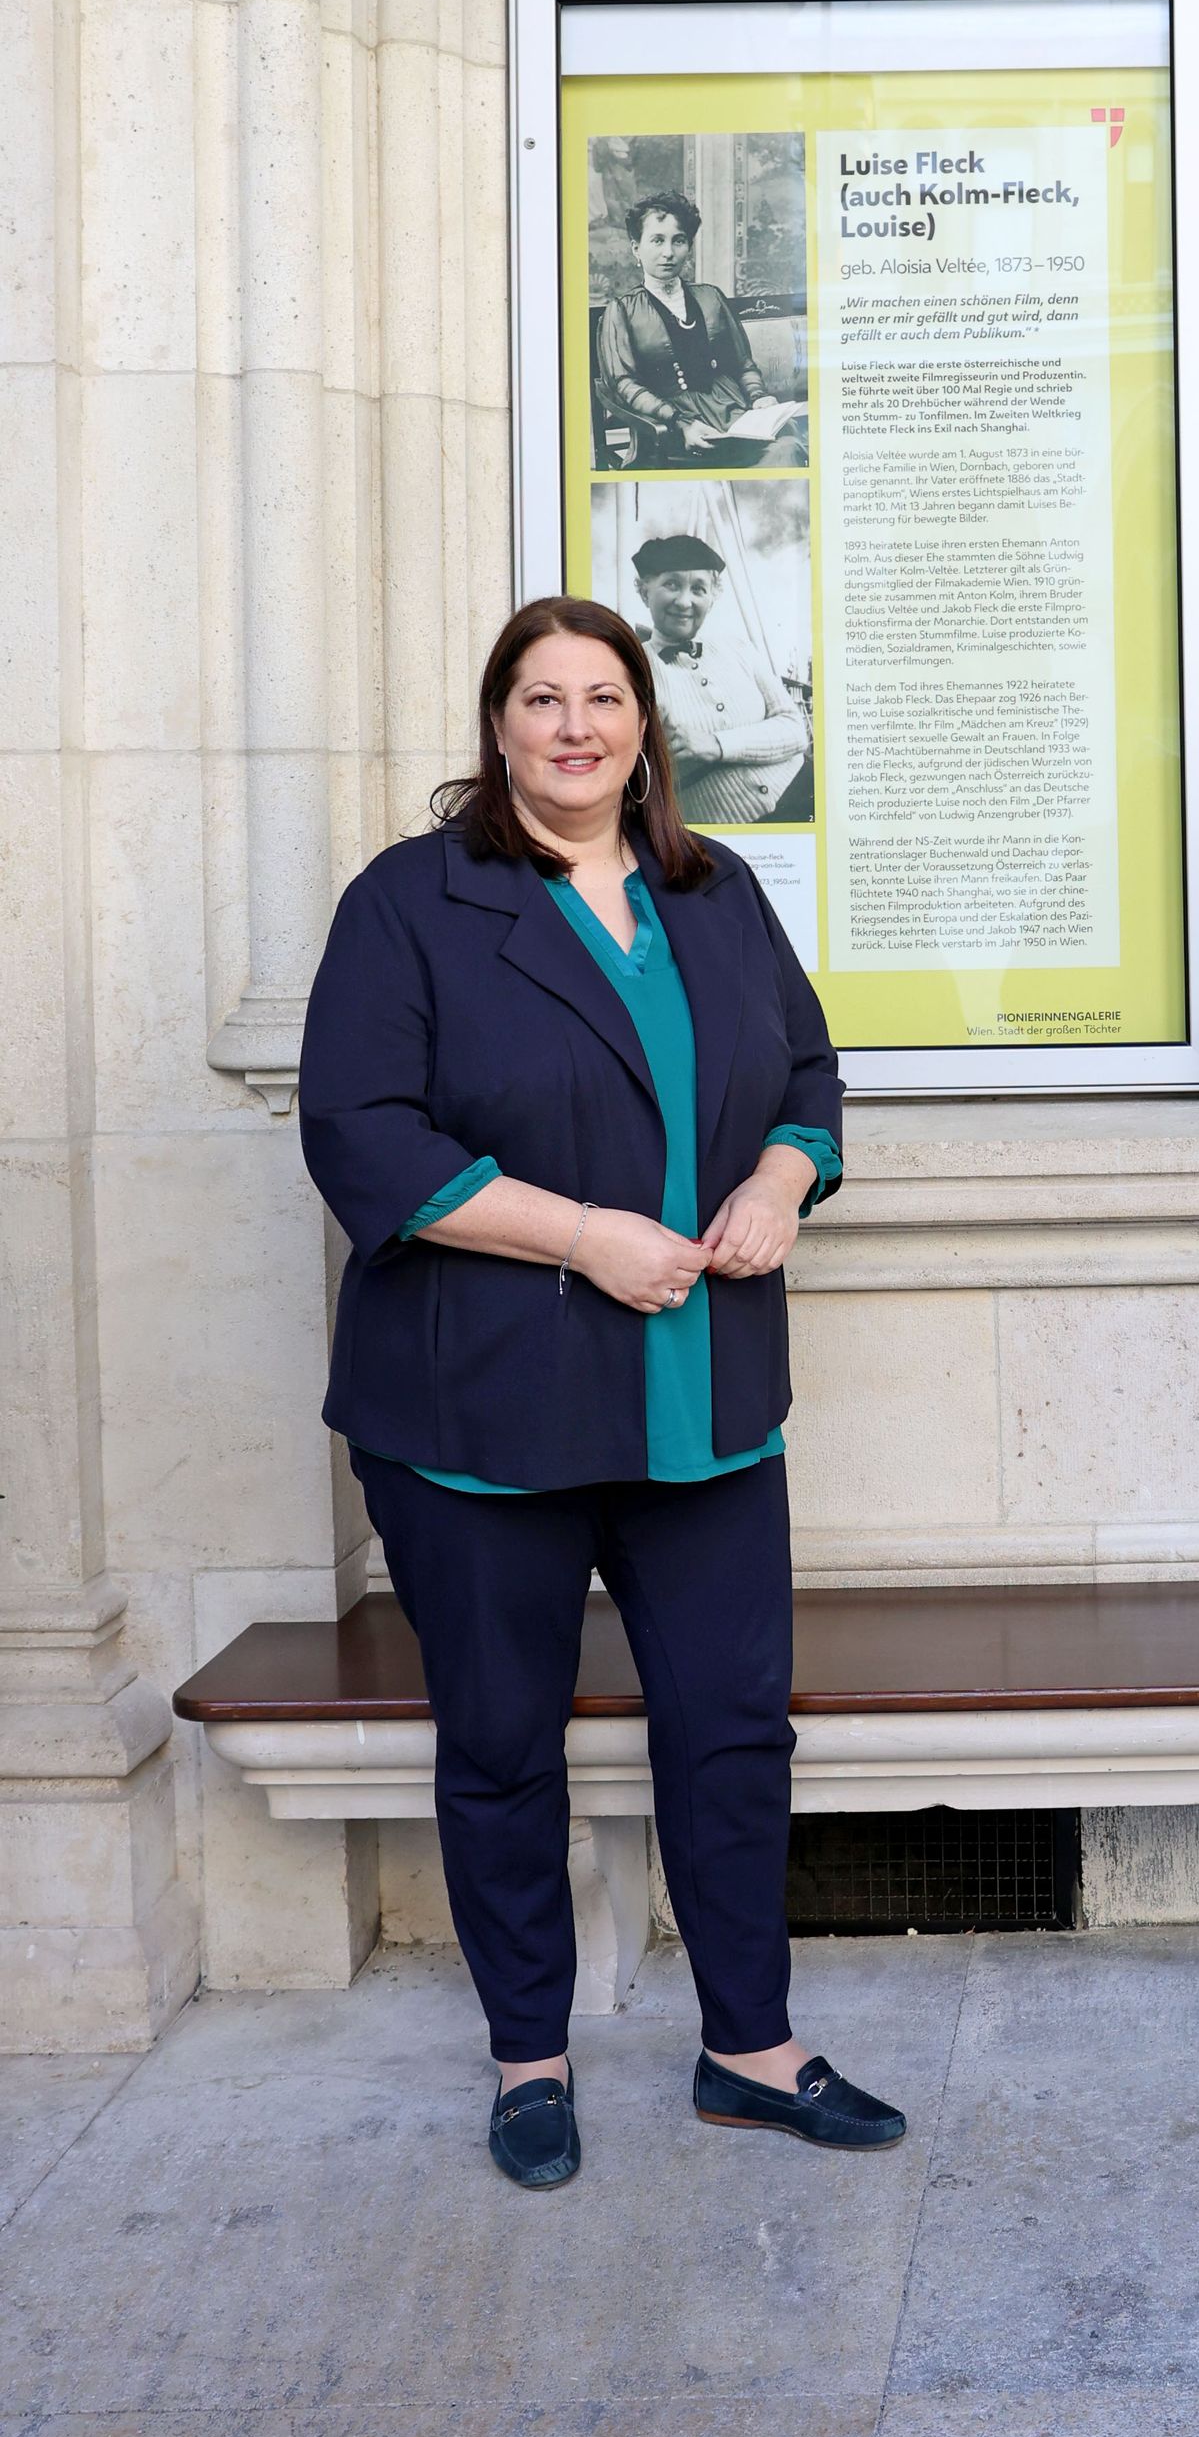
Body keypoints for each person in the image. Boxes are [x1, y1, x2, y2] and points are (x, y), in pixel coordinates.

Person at [297, 593, 904, 2189]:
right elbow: (362, 1138)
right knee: (501, 1740)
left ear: (647, 729)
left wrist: (783, 1178)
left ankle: (749, 2052)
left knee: (730, 1732)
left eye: (604, 698)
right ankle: (530, 2062)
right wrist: (580, 1239)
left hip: (700, 1402)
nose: (575, 726)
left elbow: (812, 1078)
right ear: (495, 727)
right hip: (477, 1416)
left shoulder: (716, 891)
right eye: (541, 698)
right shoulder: (410, 905)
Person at [595, 192, 804, 467]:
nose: (668, 252)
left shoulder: (711, 298)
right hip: (668, 426)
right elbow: (624, 384)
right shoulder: (621, 311)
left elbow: (742, 364)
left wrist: (759, 396)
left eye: (678, 240)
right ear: (636, 248)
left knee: (788, 446)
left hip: (733, 412)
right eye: (657, 240)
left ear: (688, 246)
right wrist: (680, 423)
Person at [631, 529, 813, 824]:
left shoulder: (738, 647)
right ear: (644, 591)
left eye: (699, 589)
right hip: (729, 836)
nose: (684, 601)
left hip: (806, 792)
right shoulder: (633, 670)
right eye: (671, 584)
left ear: (713, 597)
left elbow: (795, 730)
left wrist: (715, 745)